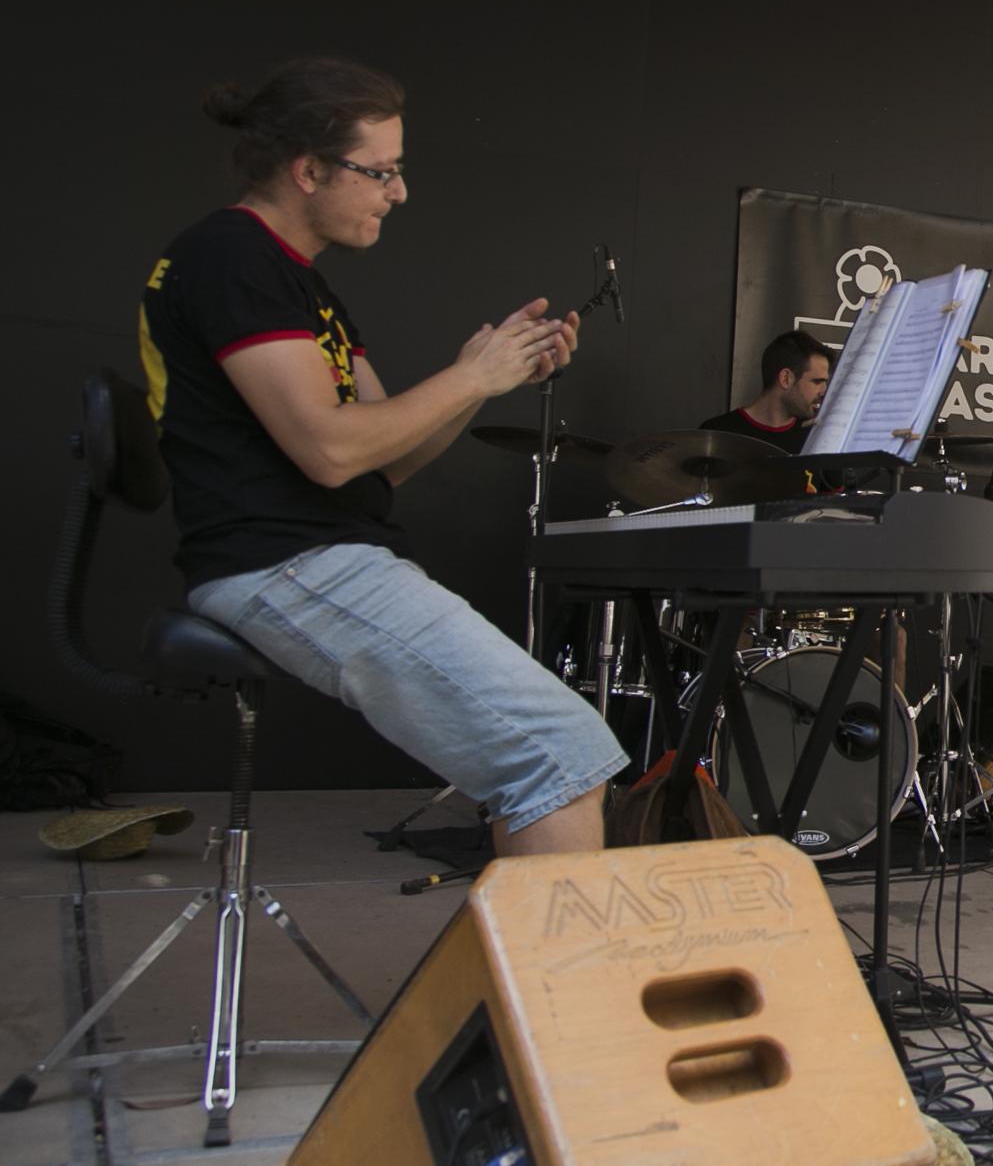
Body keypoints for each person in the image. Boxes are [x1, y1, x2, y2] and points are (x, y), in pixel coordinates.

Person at [142, 57, 626, 854]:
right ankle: (535, 984)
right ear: (308, 171)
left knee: (558, 753)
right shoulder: (230, 257)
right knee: (559, 755)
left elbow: (381, 457)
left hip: (317, 555)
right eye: (381, 173)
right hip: (285, 560)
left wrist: (483, 379)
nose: (398, 193)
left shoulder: (299, 283)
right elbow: (331, 453)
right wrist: (470, 374)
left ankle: (515, 978)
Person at [701, 330, 831, 453]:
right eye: (817, 382)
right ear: (786, 379)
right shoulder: (717, 435)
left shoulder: (816, 437)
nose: (824, 391)